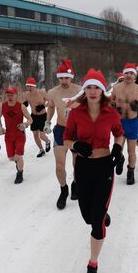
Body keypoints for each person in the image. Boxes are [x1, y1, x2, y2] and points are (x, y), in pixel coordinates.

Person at [63, 69, 124, 273]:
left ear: (102, 90)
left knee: (96, 223)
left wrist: (118, 147)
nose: (92, 91)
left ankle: (92, 265)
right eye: (88, 87)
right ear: (84, 90)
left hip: (104, 166)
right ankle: (101, 214)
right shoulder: (77, 113)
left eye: (96, 87)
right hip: (84, 168)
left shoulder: (111, 112)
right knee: (88, 217)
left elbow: (119, 133)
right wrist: (75, 145)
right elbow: (67, 137)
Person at [45, 59, 82, 209]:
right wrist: (47, 122)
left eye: (66, 77)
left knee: (77, 164)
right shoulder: (52, 92)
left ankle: (75, 184)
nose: (63, 81)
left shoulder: (80, 90)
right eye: (61, 78)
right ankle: (63, 190)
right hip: (60, 129)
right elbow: (51, 108)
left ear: (71, 76)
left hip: (77, 131)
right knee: (59, 166)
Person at [111, 63, 138, 185]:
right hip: (119, 122)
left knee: (131, 150)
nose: (128, 75)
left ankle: (130, 172)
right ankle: (120, 159)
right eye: (126, 73)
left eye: (131, 73)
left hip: (132, 123)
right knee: (118, 148)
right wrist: (114, 108)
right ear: (124, 73)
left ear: (135, 75)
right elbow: (110, 102)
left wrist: (137, 108)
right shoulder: (116, 88)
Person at [0, 87, 33, 184]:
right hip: (8, 135)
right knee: (11, 158)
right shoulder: (2, 106)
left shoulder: (21, 106)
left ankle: (20, 173)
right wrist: (0, 128)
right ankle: (18, 161)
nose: (9, 97)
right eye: (8, 95)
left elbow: (30, 119)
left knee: (18, 156)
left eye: (11, 95)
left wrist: (25, 125)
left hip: (19, 134)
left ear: (16, 95)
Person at [20, 77, 51, 158]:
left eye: (31, 86)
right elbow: (23, 104)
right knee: (35, 135)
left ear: (35, 86)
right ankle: (41, 150)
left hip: (43, 116)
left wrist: (43, 106)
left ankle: (47, 141)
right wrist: (25, 104)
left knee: (42, 135)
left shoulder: (41, 92)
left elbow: (51, 101)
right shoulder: (26, 94)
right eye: (27, 86)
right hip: (33, 116)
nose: (29, 88)